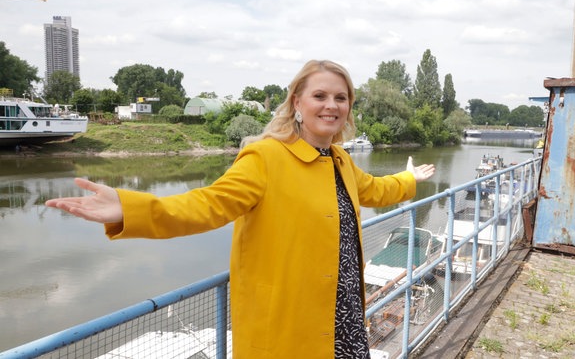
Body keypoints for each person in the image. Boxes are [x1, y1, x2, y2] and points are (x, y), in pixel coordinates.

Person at [45, 59, 435, 359]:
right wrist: (130, 209)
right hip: (290, 318)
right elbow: (207, 204)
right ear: (297, 103)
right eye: (320, 96)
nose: (331, 105)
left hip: (345, 312)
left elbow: (374, 190)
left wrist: (409, 179)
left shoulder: (338, 160)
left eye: (341, 97)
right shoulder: (266, 156)